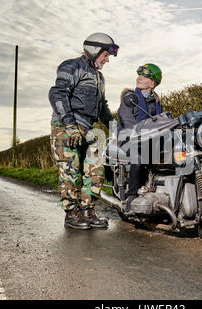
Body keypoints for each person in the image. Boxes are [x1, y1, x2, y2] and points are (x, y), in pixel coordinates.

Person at [49, 32, 119, 230]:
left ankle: (87, 210)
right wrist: (70, 126)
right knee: (70, 171)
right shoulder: (72, 66)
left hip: (89, 129)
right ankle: (72, 213)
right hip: (66, 127)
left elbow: (102, 106)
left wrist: (114, 128)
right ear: (95, 50)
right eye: (105, 55)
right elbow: (57, 94)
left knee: (96, 170)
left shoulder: (100, 77)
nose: (107, 60)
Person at [117, 63, 163, 212]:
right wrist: (137, 133)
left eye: (144, 76)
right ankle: (131, 196)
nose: (139, 78)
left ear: (152, 83)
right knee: (139, 155)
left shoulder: (156, 100)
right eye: (139, 75)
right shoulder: (130, 97)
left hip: (148, 138)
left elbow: (159, 120)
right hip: (129, 137)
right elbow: (126, 119)